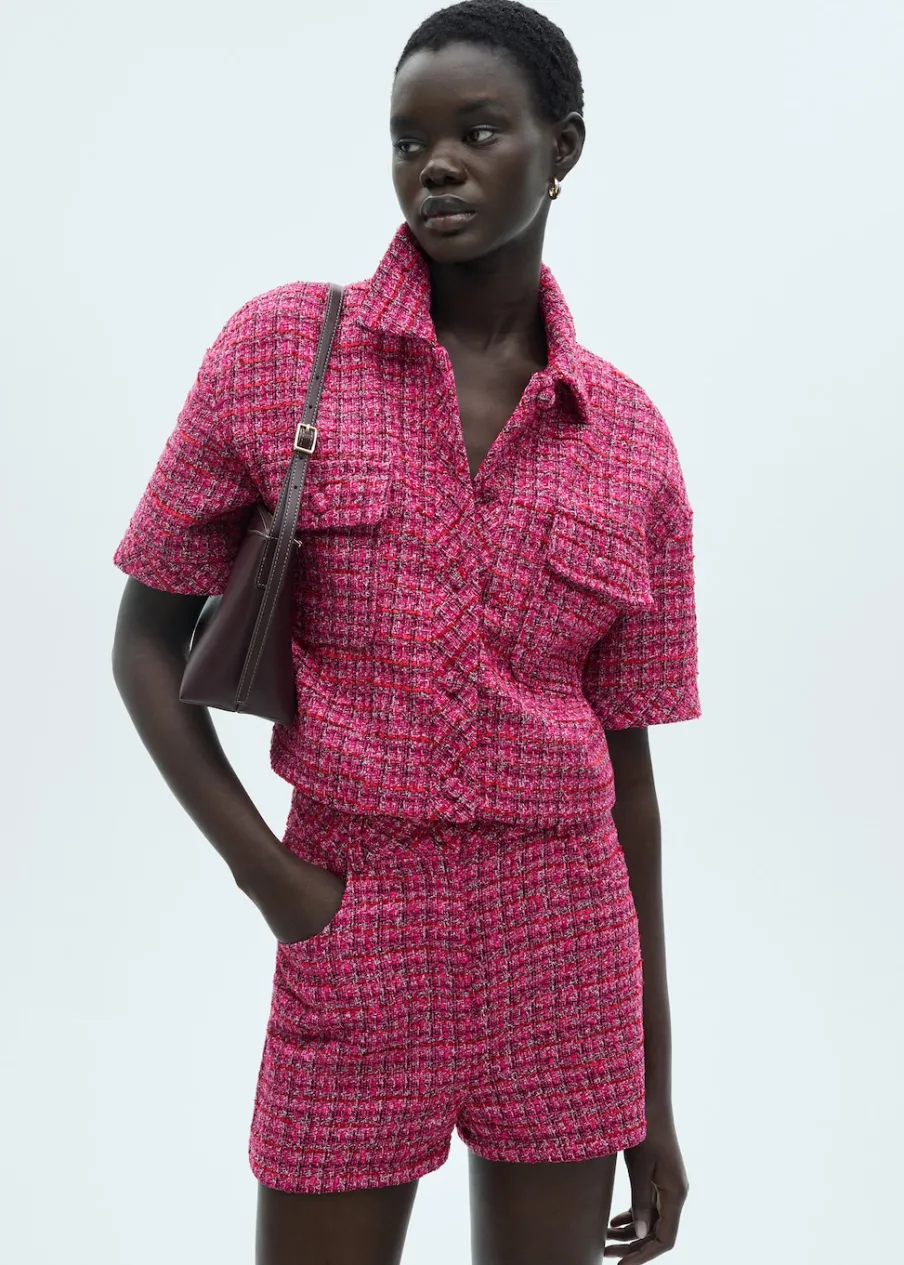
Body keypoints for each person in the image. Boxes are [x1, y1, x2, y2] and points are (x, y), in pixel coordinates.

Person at [111, 2, 701, 1261]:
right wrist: (278, 885)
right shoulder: (283, 352)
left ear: (562, 147)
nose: (435, 165)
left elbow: (631, 773)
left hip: (565, 940)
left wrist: (651, 1092)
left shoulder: (629, 438)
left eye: (478, 132)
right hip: (354, 915)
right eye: (408, 140)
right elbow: (144, 643)